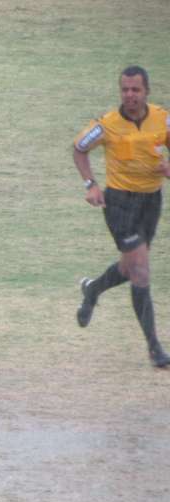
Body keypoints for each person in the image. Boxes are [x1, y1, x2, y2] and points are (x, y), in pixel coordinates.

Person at [73, 65, 170, 368]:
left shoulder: (162, 118)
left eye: (135, 90)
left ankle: (92, 289)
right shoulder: (107, 124)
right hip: (120, 203)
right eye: (125, 90)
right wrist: (90, 184)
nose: (129, 95)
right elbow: (79, 148)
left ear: (147, 91)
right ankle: (155, 349)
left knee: (130, 268)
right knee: (141, 271)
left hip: (151, 201)